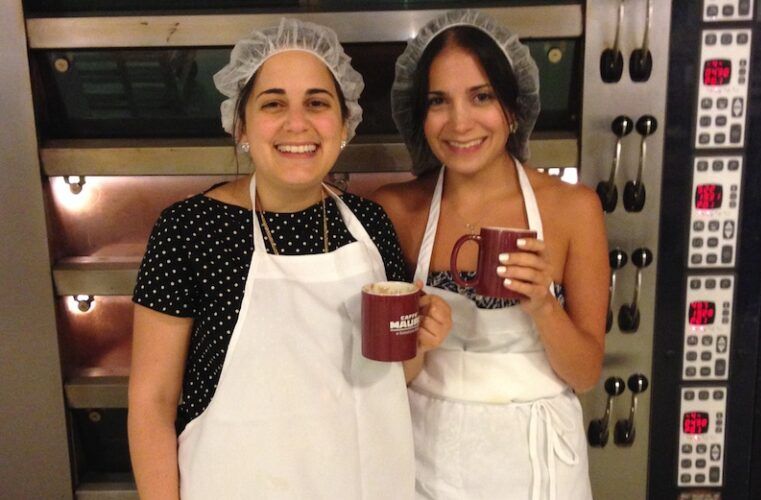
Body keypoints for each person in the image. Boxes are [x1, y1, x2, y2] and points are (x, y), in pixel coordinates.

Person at [127, 18, 451, 499]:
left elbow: (392, 377)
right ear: (240, 125)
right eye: (273, 103)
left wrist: (422, 342)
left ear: (344, 125)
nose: (296, 123)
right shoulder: (188, 231)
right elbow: (152, 402)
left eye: (317, 104)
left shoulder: (371, 225)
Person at [373, 10, 608, 500]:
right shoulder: (396, 210)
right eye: (439, 101)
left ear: (514, 108)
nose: (459, 122)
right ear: (419, 115)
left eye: (481, 96)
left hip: (537, 460)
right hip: (421, 453)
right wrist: (418, 341)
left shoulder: (572, 209)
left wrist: (543, 304)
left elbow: (585, 374)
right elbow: (378, 373)